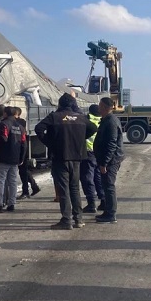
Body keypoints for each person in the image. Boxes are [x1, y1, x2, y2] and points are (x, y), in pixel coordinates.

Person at [35, 93, 97, 230]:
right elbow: (93, 128)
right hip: (76, 157)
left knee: (64, 190)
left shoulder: (55, 116)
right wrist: (80, 139)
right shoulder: (80, 117)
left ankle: (66, 220)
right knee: (75, 188)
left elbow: (38, 128)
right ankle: (78, 219)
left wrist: (50, 142)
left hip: (60, 157)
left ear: (60, 104)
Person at [93, 97, 124, 223]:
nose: (98, 108)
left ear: (105, 107)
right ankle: (107, 210)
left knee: (109, 186)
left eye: (100, 106)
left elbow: (111, 143)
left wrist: (105, 162)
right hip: (108, 159)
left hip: (111, 160)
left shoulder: (111, 121)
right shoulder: (107, 120)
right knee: (106, 185)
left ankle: (111, 214)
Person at [0, 107, 26, 213]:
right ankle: (12, 204)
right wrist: (21, 158)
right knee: (13, 182)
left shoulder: (3, 124)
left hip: (3, 157)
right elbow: (24, 144)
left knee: (0, 181)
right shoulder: (20, 127)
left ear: (5, 114)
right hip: (15, 158)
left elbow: (3, 138)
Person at [81, 104, 104, 213]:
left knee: (87, 178)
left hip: (88, 152)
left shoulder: (87, 120)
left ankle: (91, 204)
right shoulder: (102, 120)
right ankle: (103, 201)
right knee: (98, 177)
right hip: (99, 153)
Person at [14, 107, 40, 199]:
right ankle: (34, 186)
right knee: (24, 170)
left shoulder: (20, 122)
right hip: (22, 146)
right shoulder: (22, 121)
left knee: (23, 171)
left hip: (21, 147)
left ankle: (26, 191)